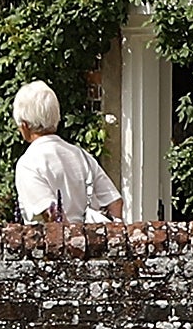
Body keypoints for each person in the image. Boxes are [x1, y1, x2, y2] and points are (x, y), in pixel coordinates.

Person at [11, 81, 126, 227]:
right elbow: (115, 202)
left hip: (55, 247)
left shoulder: (28, 164)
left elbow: (53, 216)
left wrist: (72, 241)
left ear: (24, 125)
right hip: (91, 242)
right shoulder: (81, 155)